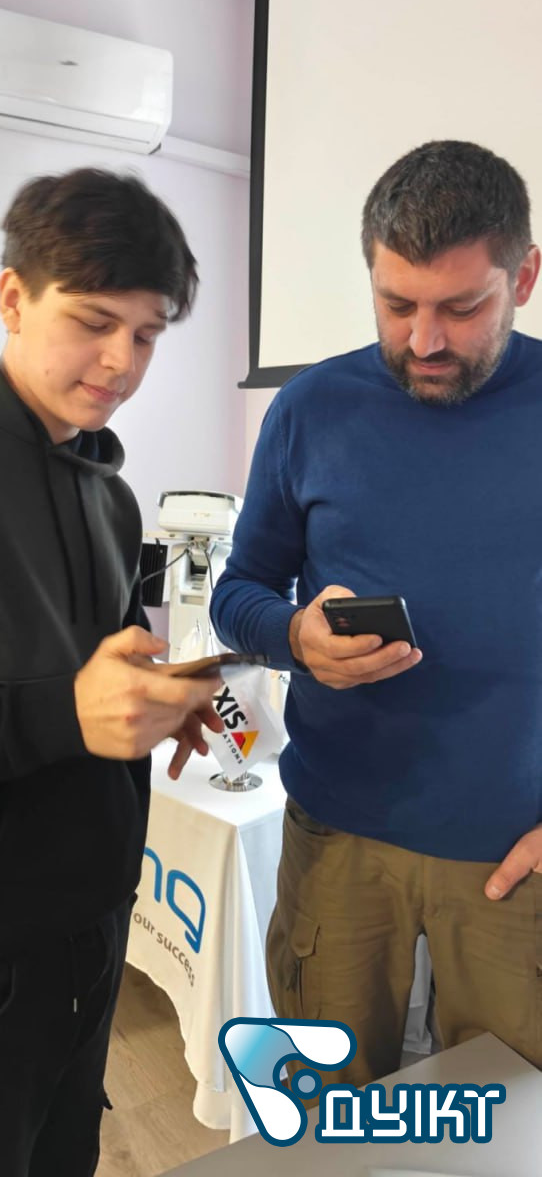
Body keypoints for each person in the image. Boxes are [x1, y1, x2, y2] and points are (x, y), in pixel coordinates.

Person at [210, 139, 542, 1090]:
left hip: (515, 858)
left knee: (503, 1132)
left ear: (523, 277)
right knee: (326, 1119)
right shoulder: (310, 408)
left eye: (461, 308)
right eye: (397, 305)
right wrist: (294, 638)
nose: (424, 341)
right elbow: (240, 591)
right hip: (338, 841)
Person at [0, 167, 223, 1176]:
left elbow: (108, 665)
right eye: (94, 320)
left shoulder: (110, 494)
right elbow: (63, 706)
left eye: (148, 334)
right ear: (13, 297)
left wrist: (163, 703)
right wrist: (64, 716)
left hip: (92, 925)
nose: (121, 361)